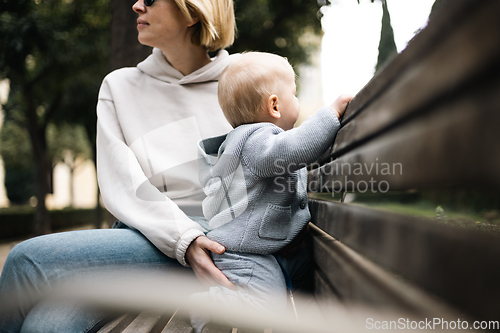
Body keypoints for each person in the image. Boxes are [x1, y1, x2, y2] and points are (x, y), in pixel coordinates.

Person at [0, 0, 239, 332]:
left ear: (192, 11)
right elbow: (122, 185)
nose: (136, 5)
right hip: (147, 239)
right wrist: (185, 240)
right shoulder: (120, 86)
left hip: (221, 247)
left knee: (25, 262)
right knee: (46, 324)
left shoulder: (244, 80)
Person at [192, 51, 354, 331]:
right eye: (295, 94)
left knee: (296, 282)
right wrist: (330, 114)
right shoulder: (255, 141)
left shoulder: (259, 143)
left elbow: (300, 151)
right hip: (246, 254)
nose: (298, 101)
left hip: (269, 247)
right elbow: (297, 147)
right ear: (275, 105)